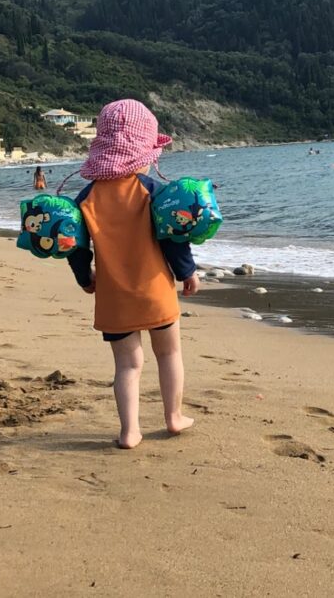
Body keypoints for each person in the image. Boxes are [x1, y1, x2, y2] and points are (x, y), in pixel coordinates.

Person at [64, 99, 199, 449]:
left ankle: (130, 431)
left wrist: (85, 277)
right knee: (169, 354)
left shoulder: (86, 198)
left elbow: (76, 247)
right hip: (155, 291)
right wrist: (187, 272)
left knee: (127, 365)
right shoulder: (151, 192)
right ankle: (173, 417)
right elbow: (173, 238)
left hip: (113, 297)